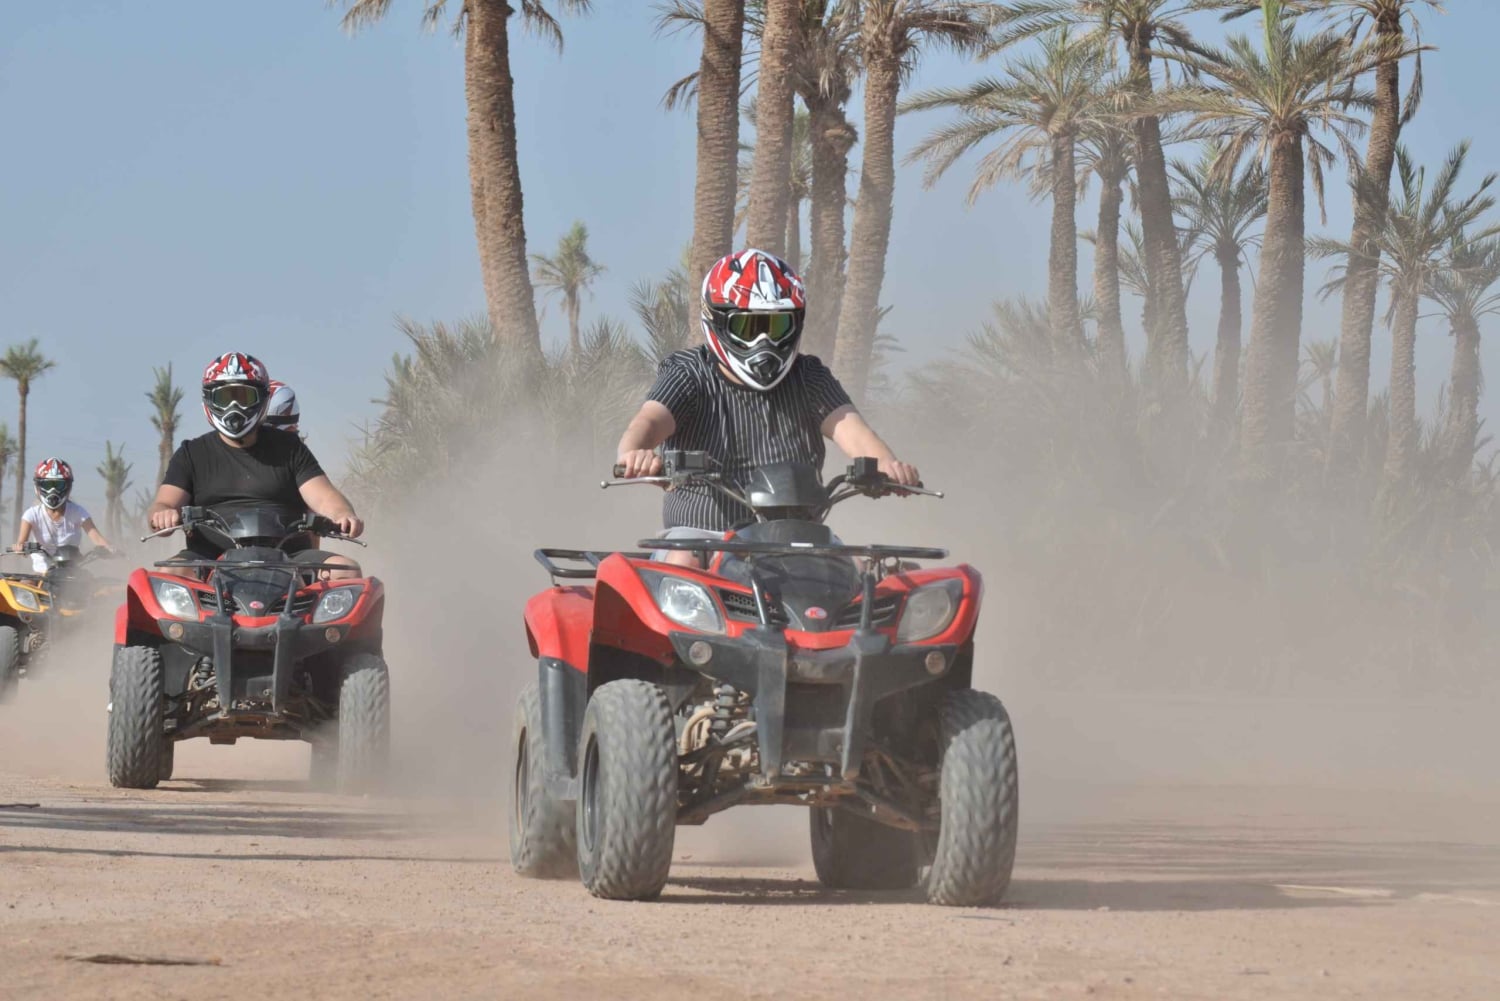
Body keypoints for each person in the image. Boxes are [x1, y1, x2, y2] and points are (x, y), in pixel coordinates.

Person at [615, 249, 918, 566]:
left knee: (859, 573)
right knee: (683, 562)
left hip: (797, 543)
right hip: (702, 542)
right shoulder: (689, 373)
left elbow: (854, 432)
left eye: (776, 326)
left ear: (795, 324)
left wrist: (887, 465)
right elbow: (648, 421)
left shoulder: (808, 376)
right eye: (749, 328)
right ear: (716, 323)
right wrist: (634, 453)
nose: (764, 341)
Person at [147, 352, 363, 578]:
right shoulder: (191, 453)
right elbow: (163, 502)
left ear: (262, 399)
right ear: (209, 400)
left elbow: (323, 496)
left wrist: (342, 514)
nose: (234, 406)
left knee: (346, 572)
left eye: (244, 397)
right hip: (208, 557)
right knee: (168, 573)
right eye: (225, 398)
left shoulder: (291, 448)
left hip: (290, 558)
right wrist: (163, 514)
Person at [12, 457, 115, 574]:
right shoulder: (31, 514)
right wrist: (20, 548)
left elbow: (97, 538)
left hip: (72, 573)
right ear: (38, 486)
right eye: (48, 485)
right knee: (22, 589)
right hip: (41, 574)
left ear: (68, 487)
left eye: (58, 485)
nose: (53, 490)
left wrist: (111, 549)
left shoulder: (78, 512)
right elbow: (21, 542)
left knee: (102, 590)